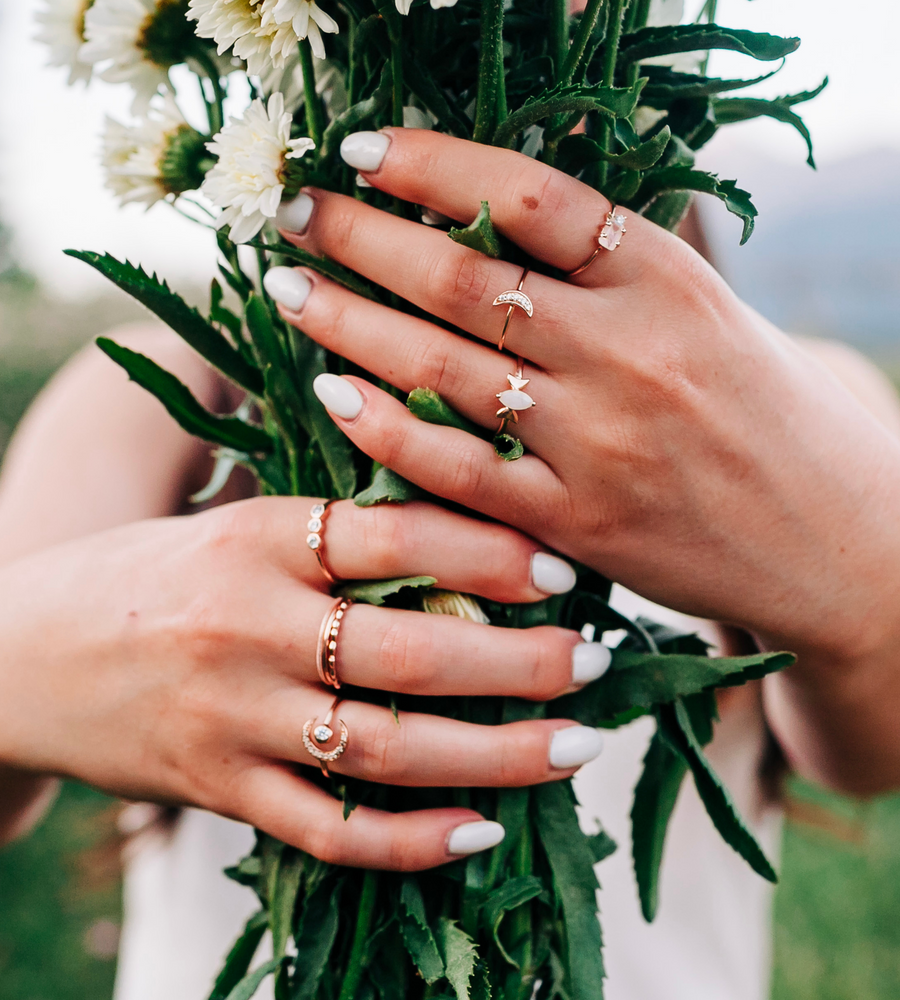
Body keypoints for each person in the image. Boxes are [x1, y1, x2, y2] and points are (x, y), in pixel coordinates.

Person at [2, 128, 900, 1000]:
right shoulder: (155, 400)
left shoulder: (804, 400)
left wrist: (856, 583)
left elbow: (871, 755)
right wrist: (62, 643)